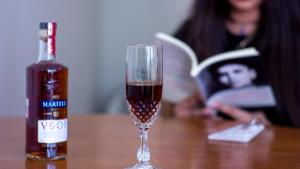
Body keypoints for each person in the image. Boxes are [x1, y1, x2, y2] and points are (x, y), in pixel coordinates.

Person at [173, 0, 300, 127]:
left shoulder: (294, 31)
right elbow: (171, 99)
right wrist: (185, 115)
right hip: (210, 140)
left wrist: (273, 131)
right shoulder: (193, 31)